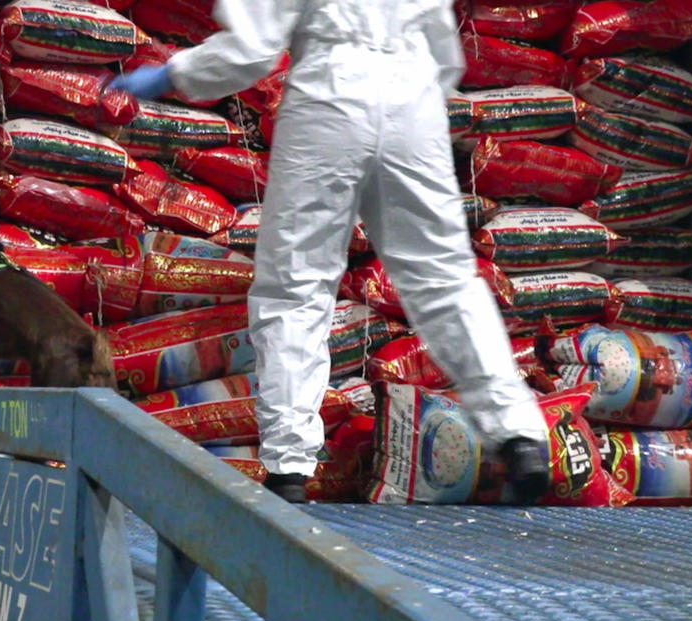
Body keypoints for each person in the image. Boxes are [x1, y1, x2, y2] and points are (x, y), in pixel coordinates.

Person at [110, 0, 551, 504]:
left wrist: (173, 73)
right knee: (445, 279)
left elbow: (252, 50)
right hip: (415, 101)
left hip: (330, 93)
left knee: (296, 284)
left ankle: (289, 465)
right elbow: (446, 55)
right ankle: (519, 436)